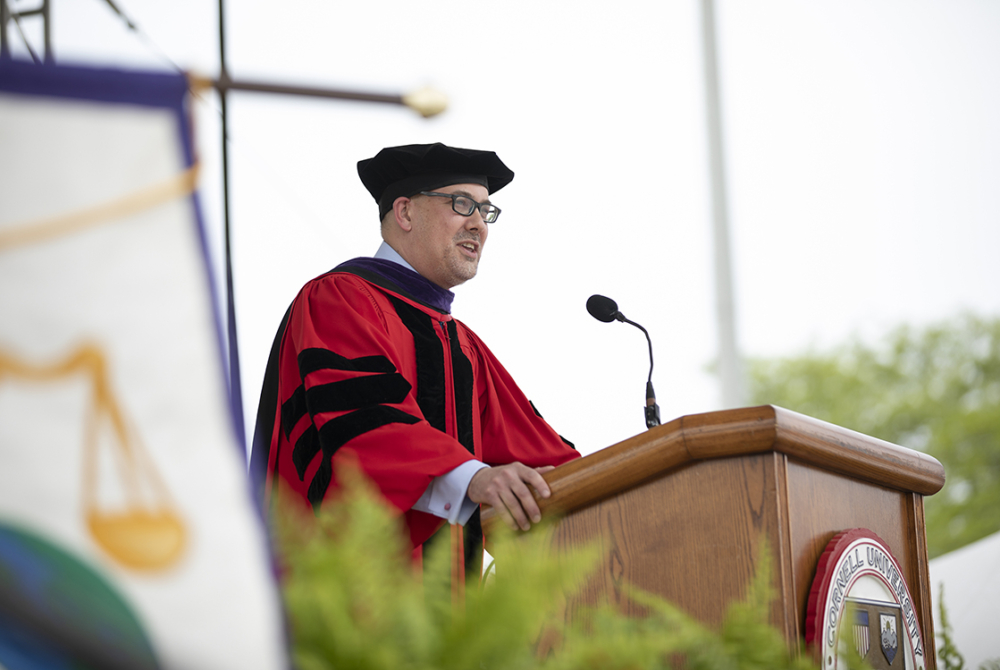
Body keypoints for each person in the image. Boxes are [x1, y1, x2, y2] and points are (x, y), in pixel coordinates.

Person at [250, 142, 579, 570]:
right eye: (463, 204)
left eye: (486, 211)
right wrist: (474, 477)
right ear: (404, 213)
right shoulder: (339, 298)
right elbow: (366, 426)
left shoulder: (464, 346)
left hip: (455, 623)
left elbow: (538, 452)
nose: (479, 224)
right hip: (343, 603)